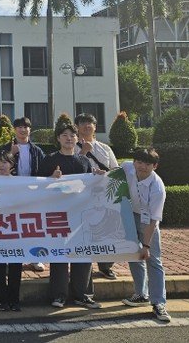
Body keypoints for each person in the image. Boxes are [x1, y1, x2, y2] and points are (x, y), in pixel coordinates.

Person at [38, 123, 105, 310]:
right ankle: (59, 295)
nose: (69, 138)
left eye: (72, 135)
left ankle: (82, 295)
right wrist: (51, 178)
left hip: (81, 216)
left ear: (78, 139)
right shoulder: (49, 160)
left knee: (82, 255)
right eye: (64, 135)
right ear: (58, 138)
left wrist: (97, 176)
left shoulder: (84, 161)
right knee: (60, 256)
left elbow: (90, 186)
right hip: (58, 216)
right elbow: (37, 186)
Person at [120, 148, 171, 322]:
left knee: (153, 259)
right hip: (129, 214)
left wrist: (147, 246)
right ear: (134, 162)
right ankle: (141, 294)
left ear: (155, 166)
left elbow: (153, 220)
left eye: (147, 164)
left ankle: (159, 303)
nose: (142, 166)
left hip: (147, 220)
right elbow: (113, 174)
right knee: (134, 254)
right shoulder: (127, 167)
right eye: (139, 162)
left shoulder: (157, 188)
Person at [74, 113, 120, 280]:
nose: (87, 126)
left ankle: (105, 266)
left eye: (90, 123)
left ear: (95, 126)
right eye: (83, 123)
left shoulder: (105, 148)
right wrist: (84, 152)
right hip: (81, 195)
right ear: (77, 127)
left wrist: (105, 175)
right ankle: (81, 269)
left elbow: (115, 169)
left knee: (105, 230)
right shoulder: (72, 147)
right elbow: (71, 169)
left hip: (104, 195)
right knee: (82, 230)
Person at [0, 116, 46, 272]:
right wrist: (10, 154)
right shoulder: (6, 148)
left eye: (26, 127)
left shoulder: (37, 150)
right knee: (10, 224)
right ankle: (9, 257)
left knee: (32, 225)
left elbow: (44, 170)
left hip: (32, 193)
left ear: (30, 130)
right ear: (14, 129)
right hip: (11, 193)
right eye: (19, 127)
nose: (23, 130)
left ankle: (35, 258)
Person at [0, 151, 22, 311]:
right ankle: (1, 299)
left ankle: (14, 300)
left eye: (4, 162)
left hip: (16, 229)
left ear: (12, 165)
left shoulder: (20, 183)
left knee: (16, 266)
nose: (1, 165)